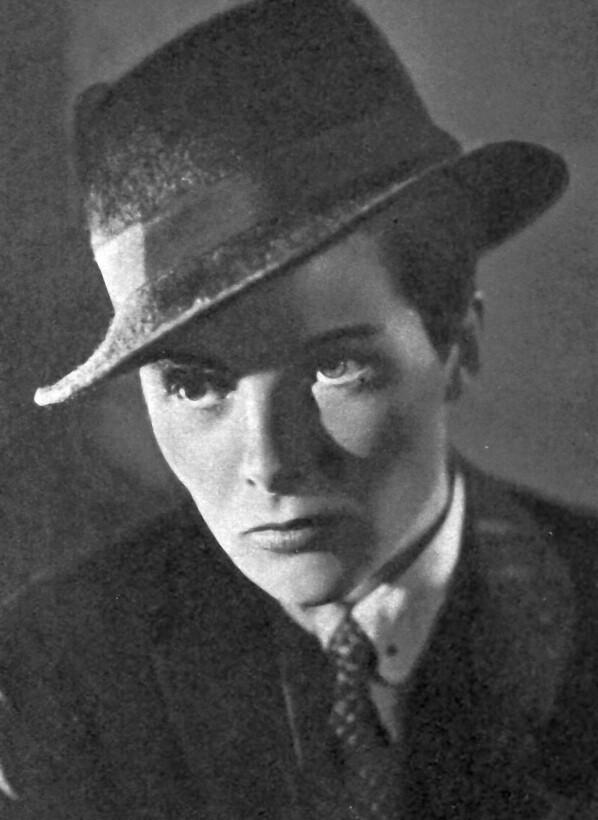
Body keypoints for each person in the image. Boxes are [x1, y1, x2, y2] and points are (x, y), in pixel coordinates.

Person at [1, 0, 597, 817]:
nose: (270, 462)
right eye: (193, 384)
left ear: (458, 343)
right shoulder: (53, 671)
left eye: (335, 367)